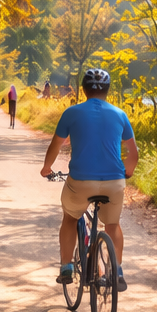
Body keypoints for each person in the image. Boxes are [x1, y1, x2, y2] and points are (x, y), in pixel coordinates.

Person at [41, 68, 137, 292]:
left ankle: (66, 266)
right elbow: (134, 153)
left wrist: (47, 168)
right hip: (114, 182)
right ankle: (118, 270)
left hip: (80, 182)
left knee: (70, 218)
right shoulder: (120, 114)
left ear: (83, 89)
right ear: (107, 90)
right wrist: (128, 172)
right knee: (112, 225)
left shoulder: (72, 112)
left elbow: (55, 145)